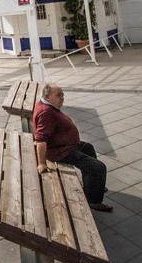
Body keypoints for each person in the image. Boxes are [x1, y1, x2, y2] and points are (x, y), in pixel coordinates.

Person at [33, 83, 112, 212]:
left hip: (65, 145)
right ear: (47, 97)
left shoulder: (47, 105)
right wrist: (41, 163)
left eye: (63, 94)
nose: (62, 98)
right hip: (61, 151)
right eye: (59, 95)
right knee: (99, 167)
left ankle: (93, 185)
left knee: (89, 148)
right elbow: (40, 140)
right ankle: (94, 201)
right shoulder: (46, 112)